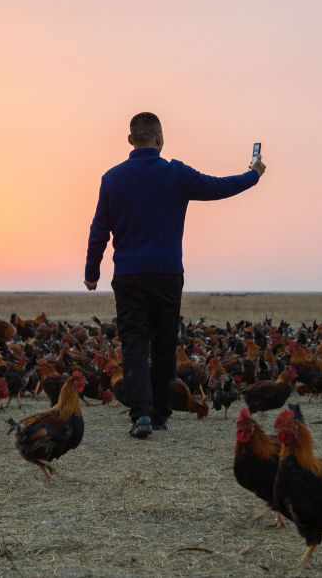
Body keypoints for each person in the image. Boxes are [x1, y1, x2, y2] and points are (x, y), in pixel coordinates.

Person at [83, 112, 266, 439]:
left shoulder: (112, 178)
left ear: (130, 140)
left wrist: (92, 271)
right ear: (159, 138)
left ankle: (141, 415)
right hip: (167, 275)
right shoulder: (176, 174)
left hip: (128, 276)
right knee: (165, 344)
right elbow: (220, 187)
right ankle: (161, 413)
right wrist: (253, 175)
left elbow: (99, 229)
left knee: (134, 345)